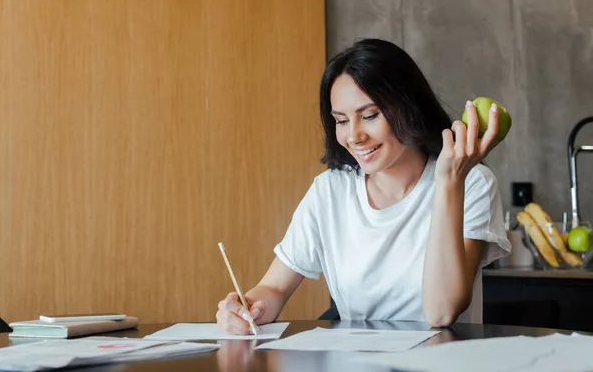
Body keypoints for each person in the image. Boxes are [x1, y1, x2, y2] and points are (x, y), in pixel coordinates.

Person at [216, 38, 510, 333]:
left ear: (409, 107)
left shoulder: (472, 184)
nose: (354, 136)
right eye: (341, 121)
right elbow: (273, 288)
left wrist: (449, 180)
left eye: (370, 116)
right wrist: (248, 307)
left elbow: (441, 312)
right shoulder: (330, 191)